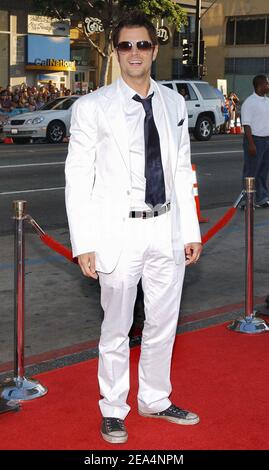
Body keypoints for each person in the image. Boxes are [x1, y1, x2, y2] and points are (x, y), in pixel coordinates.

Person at [65, 12, 202, 445]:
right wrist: (83, 243)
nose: (134, 53)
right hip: (118, 233)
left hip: (166, 226)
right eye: (126, 46)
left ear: (154, 50)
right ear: (117, 52)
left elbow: (181, 169)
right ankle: (113, 408)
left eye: (142, 45)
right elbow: (78, 178)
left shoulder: (174, 104)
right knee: (117, 326)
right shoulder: (91, 107)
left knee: (164, 321)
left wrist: (191, 230)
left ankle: (156, 399)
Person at [241, 75, 269, 207]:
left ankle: (262, 198)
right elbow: (246, 125)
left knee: (263, 171)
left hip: (267, 140)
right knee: (251, 171)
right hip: (255, 140)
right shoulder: (249, 102)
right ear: (260, 85)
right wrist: (251, 144)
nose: (268, 86)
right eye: (267, 84)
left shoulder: (266, 101)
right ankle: (247, 200)